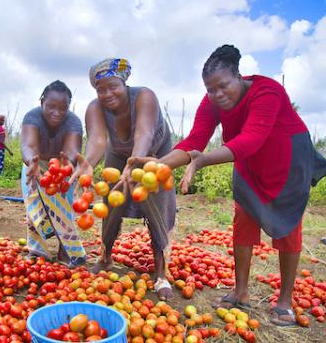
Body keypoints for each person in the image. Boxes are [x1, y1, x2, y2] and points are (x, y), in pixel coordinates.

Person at [129, 45, 326, 325]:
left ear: (238, 76)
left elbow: (252, 139)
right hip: (246, 159)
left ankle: (284, 300)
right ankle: (241, 290)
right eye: (211, 89)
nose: (217, 95)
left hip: (287, 160)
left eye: (223, 86)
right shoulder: (212, 103)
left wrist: (202, 161)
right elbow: (194, 141)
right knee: (243, 221)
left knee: (288, 228)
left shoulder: (267, 91)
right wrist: (158, 165)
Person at [71, 58, 176, 300]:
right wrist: (89, 163)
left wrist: (136, 163)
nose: (107, 94)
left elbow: (144, 132)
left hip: (154, 154)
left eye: (112, 86)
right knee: (109, 204)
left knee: (158, 207)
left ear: (123, 82)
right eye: (100, 89)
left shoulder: (144, 96)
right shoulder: (95, 108)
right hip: (118, 154)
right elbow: (97, 140)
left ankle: (161, 274)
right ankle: (105, 256)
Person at [21, 80, 87, 268]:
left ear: (68, 107)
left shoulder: (73, 121)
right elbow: (28, 145)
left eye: (62, 108)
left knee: (64, 209)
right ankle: (37, 250)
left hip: (61, 167)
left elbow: (72, 149)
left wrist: (68, 162)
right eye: (51, 106)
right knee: (34, 207)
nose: (56, 113)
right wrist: (31, 160)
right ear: (42, 101)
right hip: (34, 164)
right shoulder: (32, 117)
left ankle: (66, 250)